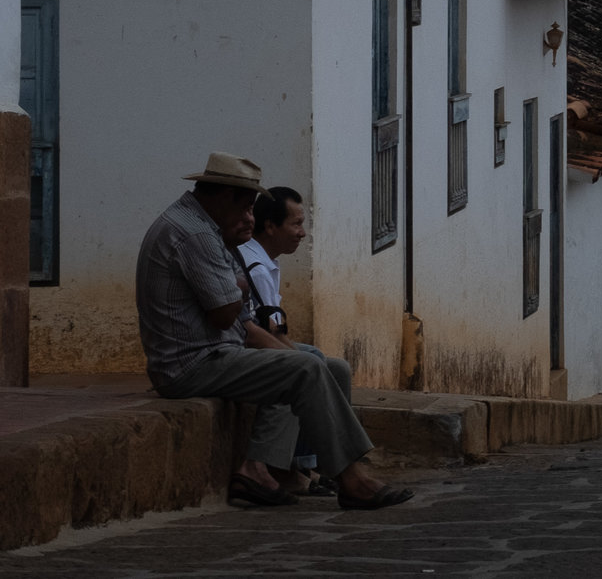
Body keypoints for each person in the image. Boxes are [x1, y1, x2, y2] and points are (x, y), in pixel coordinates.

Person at [136, 152, 411, 511]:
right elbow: (225, 314)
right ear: (223, 197)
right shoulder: (194, 234)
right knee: (303, 368)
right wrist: (237, 287)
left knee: (306, 364)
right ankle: (351, 479)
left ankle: (267, 470)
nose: (250, 217)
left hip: (210, 353)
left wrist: (232, 285)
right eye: (247, 207)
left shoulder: (199, 226)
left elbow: (235, 314)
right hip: (191, 363)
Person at [239, 186, 334, 495]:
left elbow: (275, 322)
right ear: (270, 226)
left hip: (258, 340)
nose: (302, 233)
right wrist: (297, 356)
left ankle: (322, 463)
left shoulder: (267, 261)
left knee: (333, 366)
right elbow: (273, 332)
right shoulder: (256, 267)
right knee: (310, 362)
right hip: (246, 347)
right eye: (296, 224)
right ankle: (298, 464)